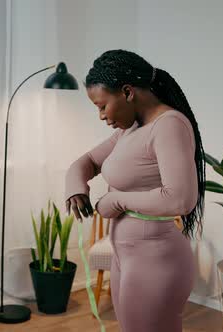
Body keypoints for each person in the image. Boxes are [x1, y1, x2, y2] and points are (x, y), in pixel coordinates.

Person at [65, 49, 205, 332]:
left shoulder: (169, 126)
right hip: (126, 255)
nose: (101, 115)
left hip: (154, 260)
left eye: (102, 106)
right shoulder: (130, 129)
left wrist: (115, 201)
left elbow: (180, 198)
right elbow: (87, 162)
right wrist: (76, 189)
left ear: (127, 92)